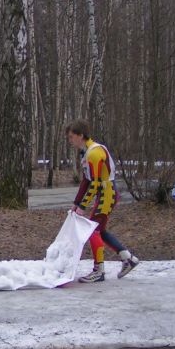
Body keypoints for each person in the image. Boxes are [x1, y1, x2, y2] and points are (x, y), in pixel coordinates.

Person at [66, 120, 139, 283]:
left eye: (71, 137)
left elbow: (96, 182)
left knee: (94, 231)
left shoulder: (94, 153)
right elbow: (86, 180)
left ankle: (99, 270)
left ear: (81, 135)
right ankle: (128, 258)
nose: (70, 141)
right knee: (101, 231)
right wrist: (77, 203)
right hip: (104, 194)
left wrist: (83, 206)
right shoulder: (87, 153)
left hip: (107, 194)